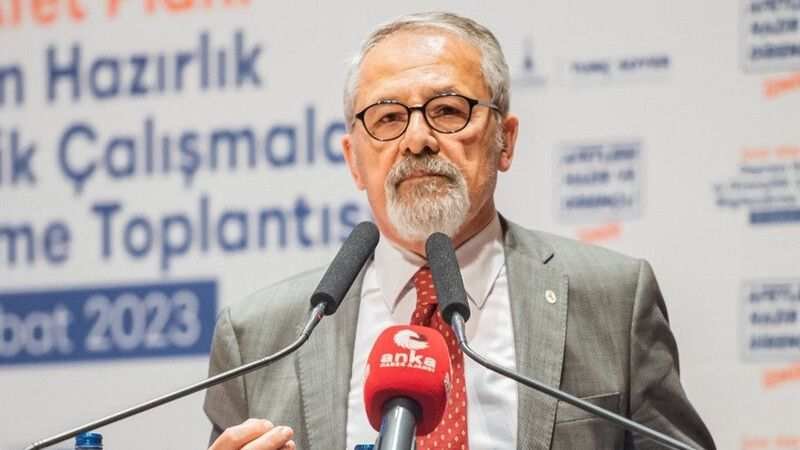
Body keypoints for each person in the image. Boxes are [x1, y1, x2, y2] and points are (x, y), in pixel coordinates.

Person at [203, 12, 716, 450]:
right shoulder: (259, 339)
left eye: (447, 110)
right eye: (388, 118)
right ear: (353, 160)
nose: (417, 140)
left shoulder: (612, 299)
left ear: (505, 140)